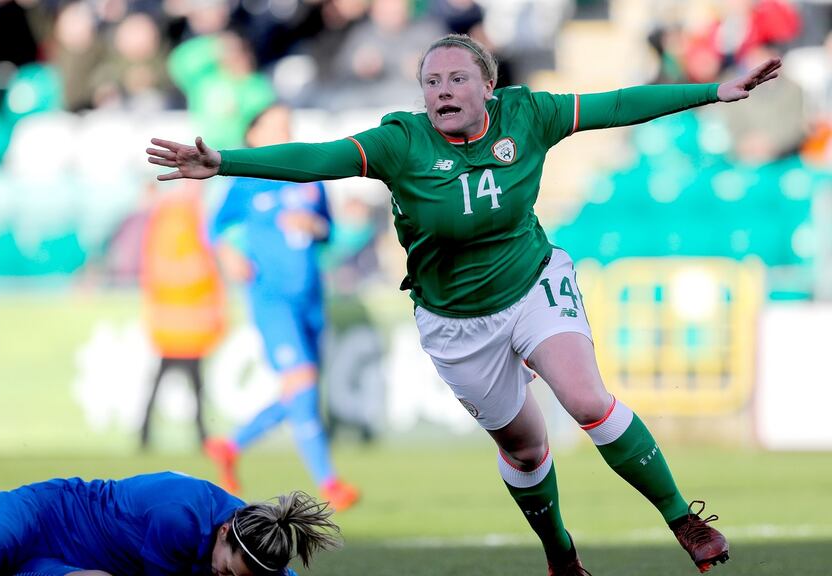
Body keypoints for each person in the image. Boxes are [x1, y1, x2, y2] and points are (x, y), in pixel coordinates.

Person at [147, 33, 783, 575]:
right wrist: (225, 161)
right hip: (455, 324)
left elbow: (617, 104)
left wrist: (713, 91)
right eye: (430, 81)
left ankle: (682, 520)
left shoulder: (528, 115)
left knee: (587, 400)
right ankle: (559, 551)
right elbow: (321, 158)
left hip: (532, 283)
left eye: (456, 78)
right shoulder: (402, 143)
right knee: (528, 450)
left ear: (488, 86)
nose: (441, 90)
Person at [203, 104, 360, 512]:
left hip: (310, 296)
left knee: (302, 393)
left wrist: (315, 227)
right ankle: (330, 484)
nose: (282, 132)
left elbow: (328, 230)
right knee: (302, 383)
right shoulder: (246, 181)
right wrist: (228, 256)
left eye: (287, 126)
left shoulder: (312, 177)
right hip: (271, 298)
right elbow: (215, 227)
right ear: (252, 136)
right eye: (273, 127)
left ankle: (230, 445)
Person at [0, 471, 341, 576]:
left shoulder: (256, 551)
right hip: (42, 515)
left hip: (67, 565)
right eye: (227, 574)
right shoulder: (180, 517)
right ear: (224, 532)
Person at [139, 180, 227, 449]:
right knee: (189, 378)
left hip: (181, 320)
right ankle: (196, 433)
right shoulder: (180, 215)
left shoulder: (176, 213)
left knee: (177, 376)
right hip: (183, 318)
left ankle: (147, 432)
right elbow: (188, 265)